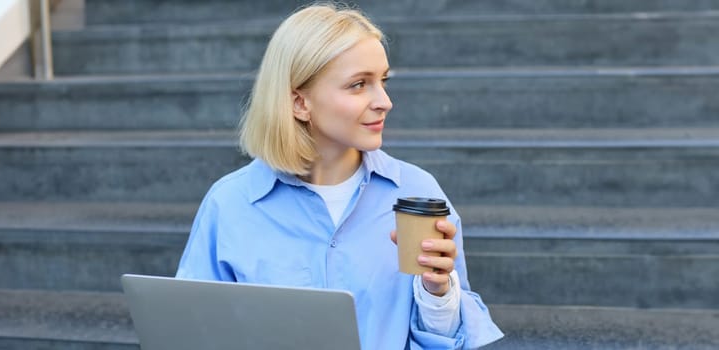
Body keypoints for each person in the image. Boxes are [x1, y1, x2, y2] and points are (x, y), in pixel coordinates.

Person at [176, 3, 503, 349]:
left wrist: (438, 294)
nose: (384, 101)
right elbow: (192, 332)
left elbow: (445, 341)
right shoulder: (230, 204)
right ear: (300, 103)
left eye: (383, 81)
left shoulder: (418, 192)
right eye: (359, 84)